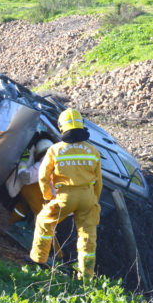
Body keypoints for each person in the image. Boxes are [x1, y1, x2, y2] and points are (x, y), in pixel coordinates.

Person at [30, 108, 102, 279]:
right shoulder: (92, 151)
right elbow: (99, 181)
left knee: (43, 221)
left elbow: (43, 177)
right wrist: (93, 201)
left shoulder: (55, 150)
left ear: (62, 127)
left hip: (65, 197)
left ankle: (39, 261)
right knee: (87, 238)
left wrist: (48, 197)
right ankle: (86, 277)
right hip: (88, 196)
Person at [7, 139, 54, 223]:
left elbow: (26, 178)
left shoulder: (46, 164)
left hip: (47, 204)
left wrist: (23, 162)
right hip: (53, 206)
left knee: (25, 195)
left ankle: (6, 224)